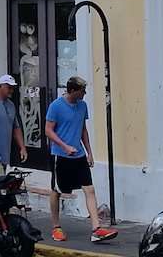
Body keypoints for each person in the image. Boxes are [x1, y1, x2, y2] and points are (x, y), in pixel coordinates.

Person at [45, 76, 117, 244]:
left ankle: (96, 229)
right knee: (56, 191)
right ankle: (56, 227)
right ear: (72, 90)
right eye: (82, 91)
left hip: (78, 156)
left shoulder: (82, 106)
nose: (84, 93)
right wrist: (65, 146)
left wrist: (89, 153)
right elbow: (48, 131)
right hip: (60, 155)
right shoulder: (56, 106)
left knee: (89, 189)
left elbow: (83, 130)